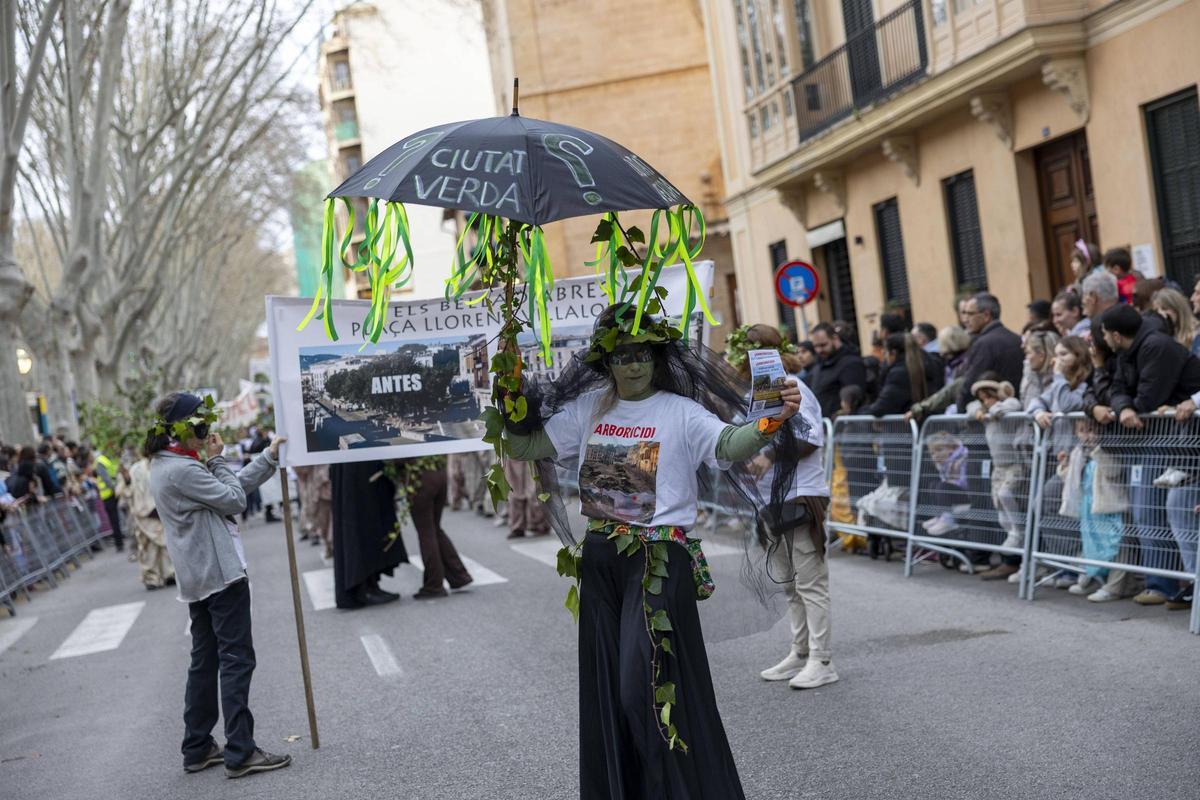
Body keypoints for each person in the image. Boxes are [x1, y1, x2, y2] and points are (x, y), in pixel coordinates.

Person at [504, 305, 805, 800]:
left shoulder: (679, 411)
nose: (635, 364)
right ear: (607, 362)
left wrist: (773, 420)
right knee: (611, 695)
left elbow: (730, 446)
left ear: (657, 357)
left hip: (659, 561)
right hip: (601, 559)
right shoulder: (588, 410)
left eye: (644, 354)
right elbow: (525, 448)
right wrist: (509, 399)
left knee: (640, 685)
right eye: (624, 355)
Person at [145, 392, 292, 779]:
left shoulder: (170, 464)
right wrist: (217, 459)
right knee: (236, 659)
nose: (207, 432)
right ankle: (241, 751)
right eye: (201, 426)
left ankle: (197, 747)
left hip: (199, 576)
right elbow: (233, 499)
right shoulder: (183, 469)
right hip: (219, 576)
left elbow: (229, 491)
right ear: (186, 429)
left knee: (205, 661)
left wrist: (268, 457)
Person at [1100, 304, 1200, 606]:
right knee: (1149, 508)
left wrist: (1131, 406)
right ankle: (1168, 584)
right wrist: (1125, 407)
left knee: (1162, 507)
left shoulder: (1156, 346)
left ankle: (1171, 585)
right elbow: (1117, 390)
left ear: (1116, 335)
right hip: (1166, 434)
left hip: (1180, 437)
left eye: (1104, 333)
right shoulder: (1126, 352)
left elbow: (1150, 397)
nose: (1103, 339)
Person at [1057, 419, 1129, 601]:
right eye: (1082, 431)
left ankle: (1116, 585)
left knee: (1115, 544)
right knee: (1093, 545)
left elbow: (1114, 471)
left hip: (1108, 505)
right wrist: (1064, 466)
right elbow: (1071, 479)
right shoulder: (1078, 453)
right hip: (1088, 507)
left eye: (1091, 430)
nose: (1087, 435)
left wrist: (1097, 451)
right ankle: (1095, 579)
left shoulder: (1106, 449)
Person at [965, 376, 1027, 579]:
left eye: (988, 397)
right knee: (998, 502)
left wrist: (996, 409)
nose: (985, 401)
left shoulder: (1006, 408)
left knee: (1006, 493)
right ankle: (1011, 532)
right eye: (982, 398)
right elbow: (970, 407)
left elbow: (1013, 404)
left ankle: (1018, 532)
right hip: (998, 466)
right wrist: (980, 411)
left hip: (1013, 463)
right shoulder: (982, 411)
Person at [330, 460, 408, 608]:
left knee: (370, 522)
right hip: (355, 468)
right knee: (361, 522)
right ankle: (363, 587)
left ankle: (371, 584)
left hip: (361, 464)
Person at [404, 459, 474, 599]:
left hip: (420, 476)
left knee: (427, 532)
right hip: (438, 472)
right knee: (434, 529)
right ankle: (458, 575)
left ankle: (434, 585)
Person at [955, 292, 1024, 411]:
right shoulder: (1016, 338)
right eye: (964, 313)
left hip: (995, 415)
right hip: (1013, 412)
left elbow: (970, 384)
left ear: (986, 315)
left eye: (970, 314)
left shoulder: (984, 344)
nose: (966, 319)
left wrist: (961, 412)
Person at [128, 453, 174, 590]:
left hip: (162, 510)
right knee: (148, 547)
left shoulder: (164, 464)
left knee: (166, 545)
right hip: (145, 512)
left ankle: (169, 574)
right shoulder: (137, 469)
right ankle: (151, 577)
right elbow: (131, 490)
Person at [809, 321, 867, 418]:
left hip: (843, 427)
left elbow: (854, 399)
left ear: (835, 339)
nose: (819, 350)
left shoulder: (851, 363)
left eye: (823, 345)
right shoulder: (818, 365)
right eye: (816, 346)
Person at [866, 333, 928, 416]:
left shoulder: (898, 374)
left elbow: (882, 407)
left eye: (885, 353)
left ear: (893, 353)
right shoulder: (926, 363)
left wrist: (860, 412)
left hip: (905, 423)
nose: (885, 357)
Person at [504, 457, 550, 539]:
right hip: (512, 448)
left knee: (534, 486)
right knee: (515, 488)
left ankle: (538, 523)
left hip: (531, 448)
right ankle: (518, 525)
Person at [1152, 286, 1200, 355]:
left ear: (1176, 308)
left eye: (1164, 308)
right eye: (1156, 311)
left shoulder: (1197, 333)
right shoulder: (1163, 336)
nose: (1161, 313)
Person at [93, 449, 125, 551]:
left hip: (109, 494)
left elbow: (109, 477)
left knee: (115, 519)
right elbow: (106, 478)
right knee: (115, 520)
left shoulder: (103, 460)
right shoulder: (102, 461)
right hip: (110, 494)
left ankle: (119, 542)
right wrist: (115, 489)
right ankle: (119, 542)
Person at [1020, 329, 1059, 410]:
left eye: (1028, 353)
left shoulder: (1058, 379)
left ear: (1041, 355)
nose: (1026, 358)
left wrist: (1037, 412)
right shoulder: (1029, 376)